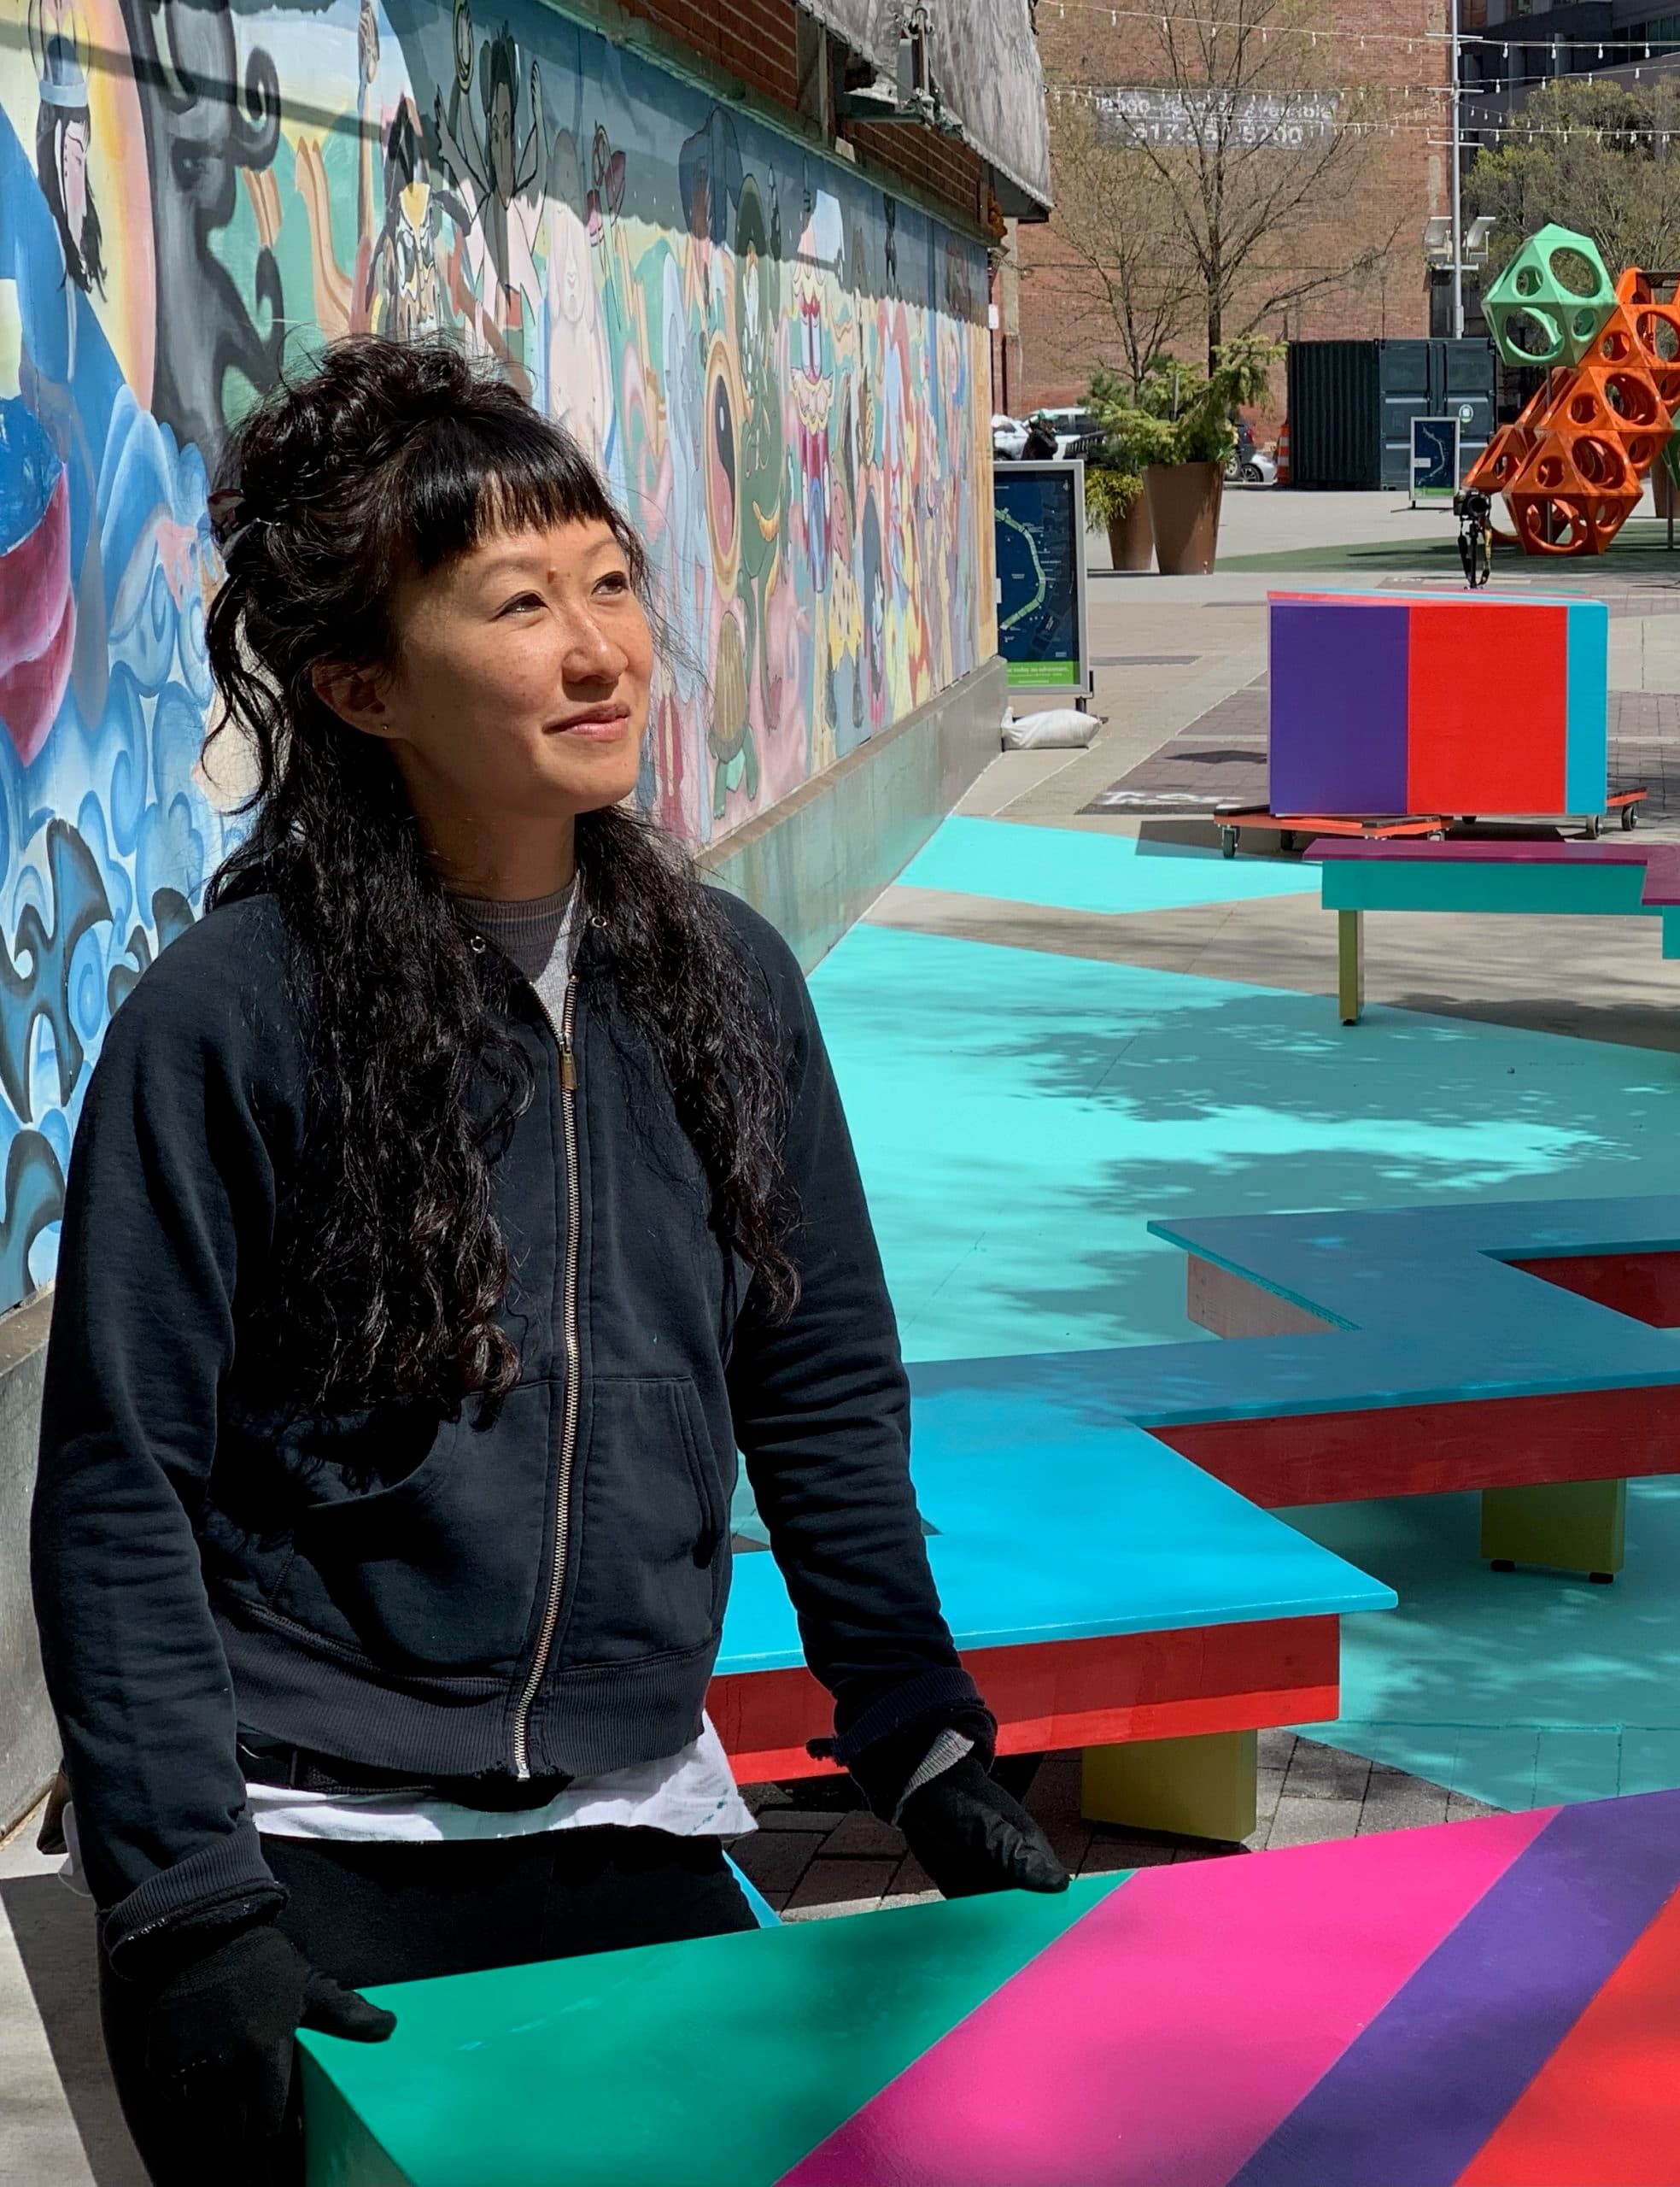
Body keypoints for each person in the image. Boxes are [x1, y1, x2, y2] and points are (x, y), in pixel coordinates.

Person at [30, 338, 1067, 2187]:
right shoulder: (230, 1018)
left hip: (628, 1802)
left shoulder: (725, 983)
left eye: (611, 584)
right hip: (301, 1829)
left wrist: (917, 1731)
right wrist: (185, 1901)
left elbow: (817, 1385)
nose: (601, 651)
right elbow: (123, 1484)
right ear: (359, 685)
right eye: (520, 604)